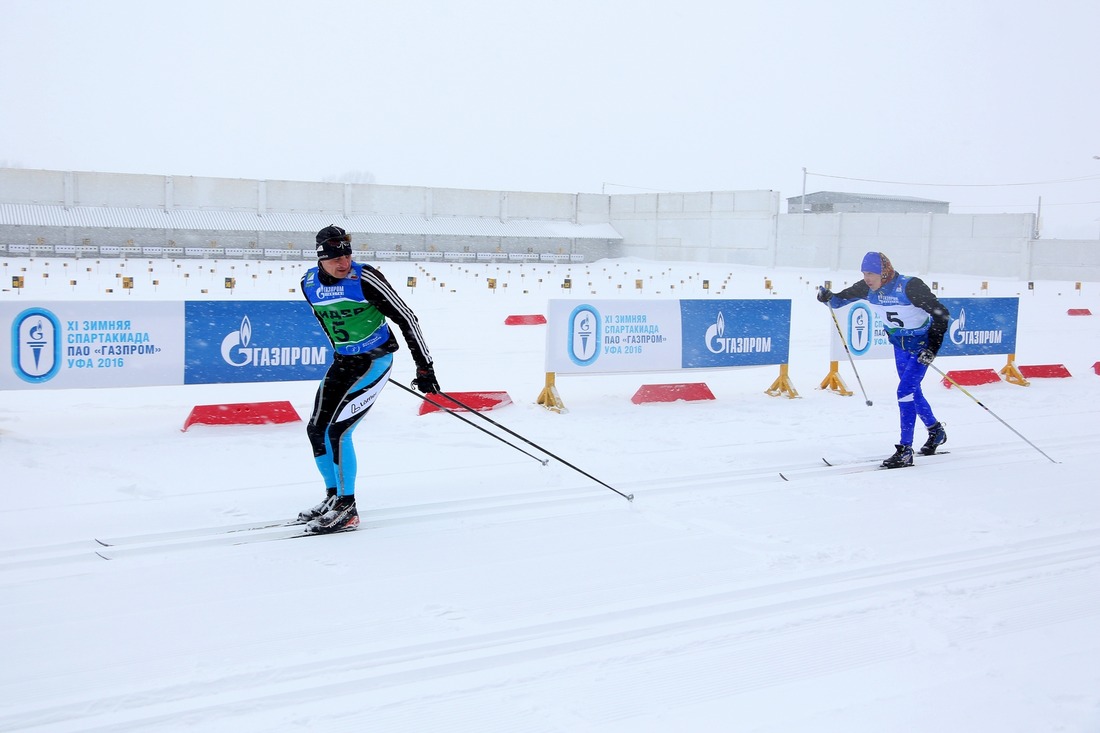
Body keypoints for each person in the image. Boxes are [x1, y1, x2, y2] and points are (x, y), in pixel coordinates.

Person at [298, 225, 440, 533]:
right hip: (345, 361)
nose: (343, 262)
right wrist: (340, 351)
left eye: (347, 254)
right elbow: (326, 322)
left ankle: (348, 508)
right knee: (316, 429)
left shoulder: (364, 278)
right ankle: (334, 497)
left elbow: (406, 318)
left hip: (374, 361)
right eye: (335, 257)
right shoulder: (308, 284)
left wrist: (424, 368)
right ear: (320, 258)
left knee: (338, 431)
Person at [817, 251, 950, 468]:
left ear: (884, 272)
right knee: (912, 391)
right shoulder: (866, 288)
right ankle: (936, 431)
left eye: (871, 273)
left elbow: (941, 314)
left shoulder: (910, 286)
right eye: (864, 273)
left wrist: (932, 348)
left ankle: (905, 450)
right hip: (900, 346)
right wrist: (828, 297)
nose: (867, 278)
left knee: (904, 391)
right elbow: (839, 301)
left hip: (921, 346)